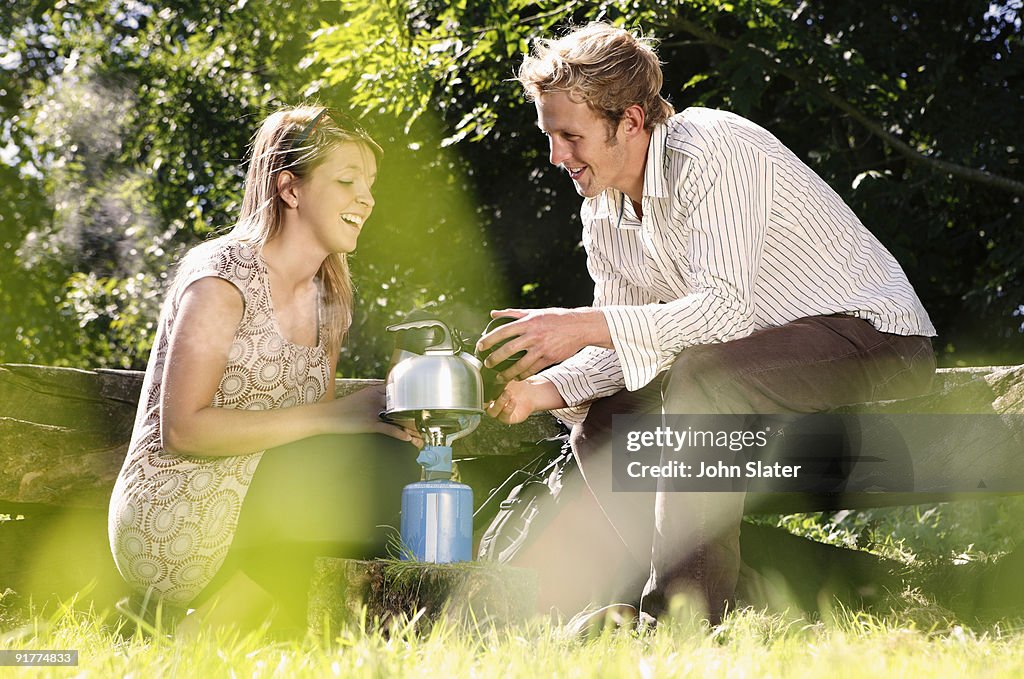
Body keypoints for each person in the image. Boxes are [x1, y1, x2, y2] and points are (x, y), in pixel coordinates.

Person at [476, 23, 937, 625]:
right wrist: (541, 390)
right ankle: (730, 599)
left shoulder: (714, 151)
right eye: (550, 135)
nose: (558, 155)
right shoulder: (603, 210)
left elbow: (724, 313)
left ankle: (672, 624)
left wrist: (583, 325)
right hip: (756, 367)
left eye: (571, 135)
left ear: (632, 122)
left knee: (706, 375)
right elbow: (627, 340)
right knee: (609, 415)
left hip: (875, 337)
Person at [108, 105, 422, 635]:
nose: (366, 199)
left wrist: (391, 406)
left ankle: (269, 625)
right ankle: (206, 626)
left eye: (369, 184)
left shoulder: (330, 300)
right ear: (290, 189)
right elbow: (183, 429)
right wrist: (340, 417)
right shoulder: (222, 278)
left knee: (397, 463)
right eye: (347, 181)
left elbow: (312, 429)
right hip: (177, 514)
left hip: (257, 505)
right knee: (370, 465)